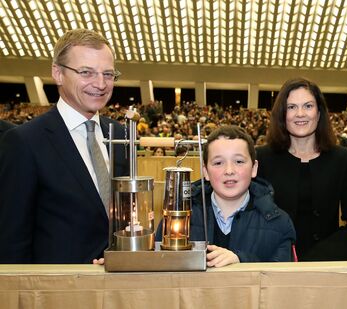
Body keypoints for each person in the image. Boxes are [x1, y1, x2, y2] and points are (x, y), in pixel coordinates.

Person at [0, 29, 128, 263]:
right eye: (86, 72)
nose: (100, 84)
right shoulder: (25, 141)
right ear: (58, 74)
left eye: (108, 74)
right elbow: (11, 239)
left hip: (118, 285)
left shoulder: (119, 134)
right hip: (56, 289)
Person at [157, 125, 296, 267]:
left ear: (254, 168)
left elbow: (283, 282)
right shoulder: (177, 220)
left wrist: (242, 261)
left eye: (239, 162)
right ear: (205, 171)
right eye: (218, 163)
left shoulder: (279, 223)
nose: (229, 170)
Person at [256, 77, 347, 261]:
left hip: (327, 262)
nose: (300, 114)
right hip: (274, 261)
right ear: (282, 114)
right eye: (291, 107)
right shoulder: (263, 158)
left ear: (319, 112)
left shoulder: (341, 158)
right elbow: (254, 219)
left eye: (308, 106)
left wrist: (325, 255)